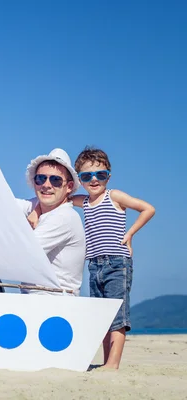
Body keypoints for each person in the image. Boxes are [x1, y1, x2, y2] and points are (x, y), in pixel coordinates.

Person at [0, 148, 86, 295]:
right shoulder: (37, 207)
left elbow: (20, 254)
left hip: (56, 306)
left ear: (69, 187)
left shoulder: (64, 217)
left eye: (56, 180)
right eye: (41, 178)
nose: (46, 185)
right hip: (36, 304)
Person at [71, 146, 155, 369]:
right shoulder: (85, 202)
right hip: (94, 264)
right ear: (80, 179)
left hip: (117, 262)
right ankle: (105, 361)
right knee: (101, 316)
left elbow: (148, 209)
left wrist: (130, 234)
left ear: (109, 175)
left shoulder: (114, 196)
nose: (95, 180)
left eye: (101, 174)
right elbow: (64, 199)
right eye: (87, 176)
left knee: (117, 315)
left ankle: (113, 364)